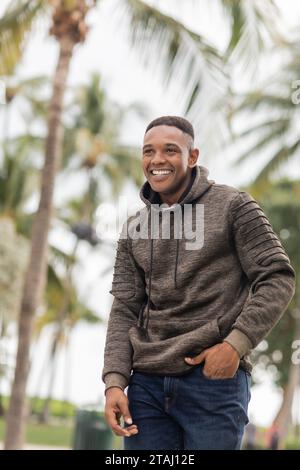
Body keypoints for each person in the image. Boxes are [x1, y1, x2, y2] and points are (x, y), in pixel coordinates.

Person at [102, 115, 295, 450]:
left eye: (170, 150)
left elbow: (277, 277)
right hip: (145, 385)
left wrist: (235, 344)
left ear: (192, 157)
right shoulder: (134, 228)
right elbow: (125, 309)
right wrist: (115, 382)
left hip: (213, 382)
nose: (157, 160)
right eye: (148, 151)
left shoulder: (235, 206)